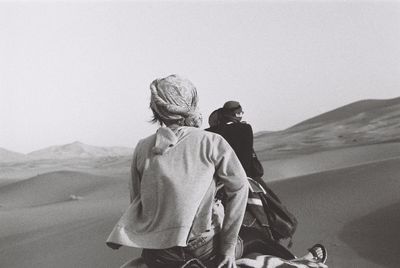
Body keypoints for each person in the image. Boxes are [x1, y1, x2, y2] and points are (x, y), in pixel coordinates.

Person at [106, 75, 249, 268]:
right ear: (191, 102)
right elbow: (240, 188)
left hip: (158, 253)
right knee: (256, 239)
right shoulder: (211, 141)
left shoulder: (142, 147)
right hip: (204, 246)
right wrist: (228, 248)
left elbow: (137, 200)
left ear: (156, 108)